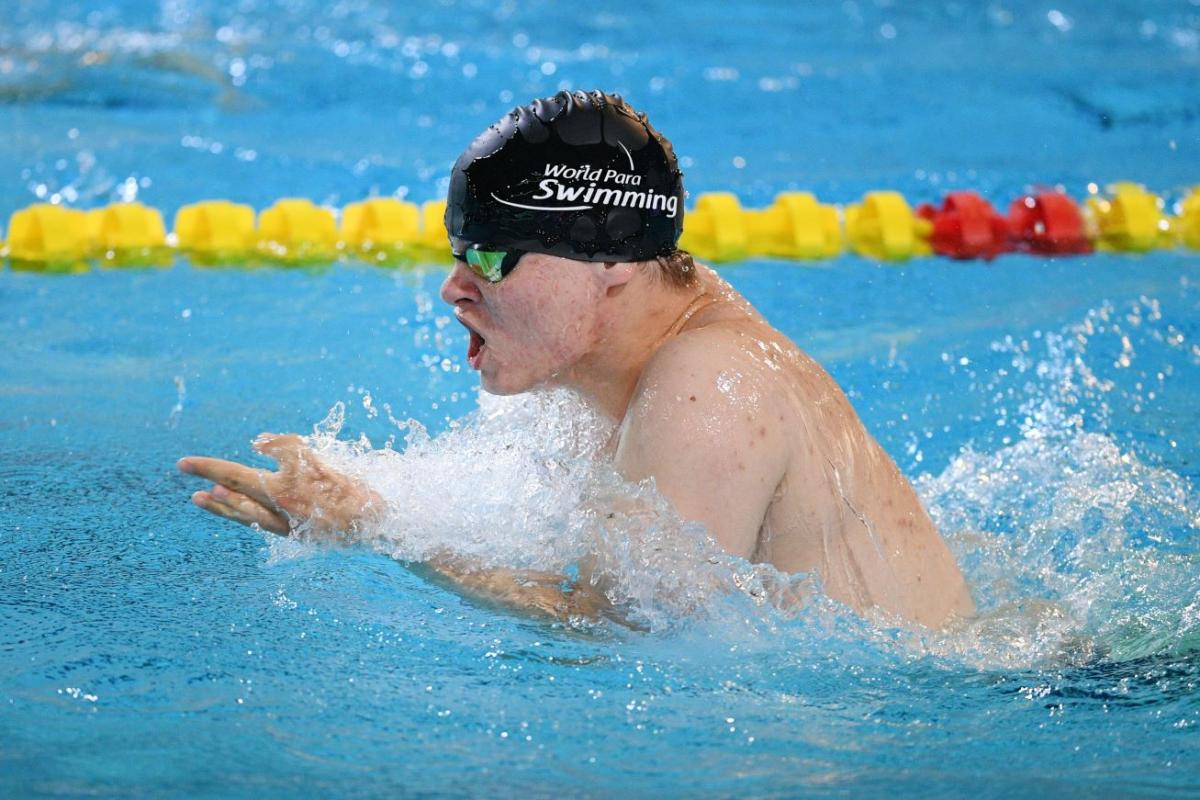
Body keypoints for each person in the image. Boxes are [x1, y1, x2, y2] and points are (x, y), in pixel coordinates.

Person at [178, 90, 975, 629]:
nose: (453, 289)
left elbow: (632, 637)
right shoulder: (624, 333)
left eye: (492, 257)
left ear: (610, 262)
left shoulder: (708, 386)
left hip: (951, 708)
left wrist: (377, 529)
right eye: (460, 253)